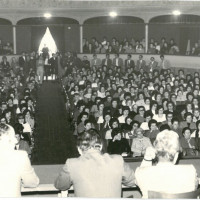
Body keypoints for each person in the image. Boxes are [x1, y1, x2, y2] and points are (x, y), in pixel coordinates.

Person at [54, 129, 135, 198]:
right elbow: (131, 181)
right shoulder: (118, 160)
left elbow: (60, 185)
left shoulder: (71, 164)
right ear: (101, 146)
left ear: (79, 149)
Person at [135, 130, 198, 198]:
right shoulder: (190, 171)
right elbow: (194, 187)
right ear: (176, 155)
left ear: (155, 152)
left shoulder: (141, 173)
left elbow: (137, 181)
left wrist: (147, 158)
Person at [0, 123, 39, 197]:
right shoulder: (20, 156)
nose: (15, 141)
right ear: (3, 139)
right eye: (12, 137)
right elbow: (32, 182)